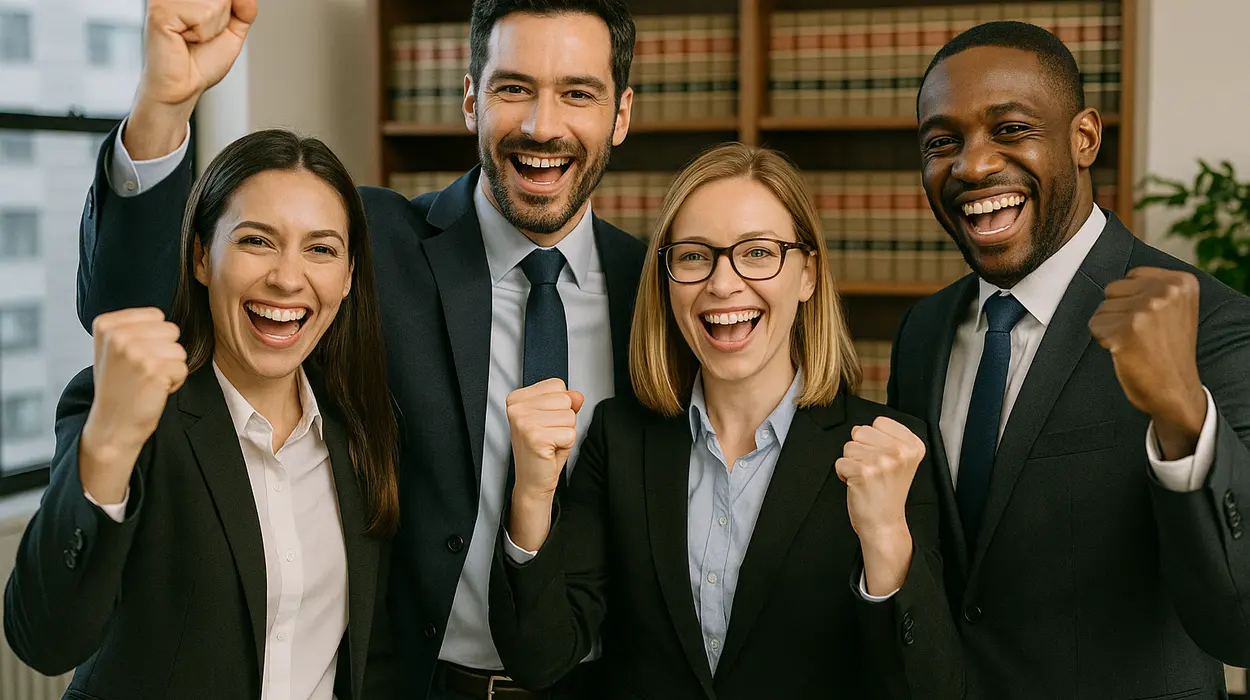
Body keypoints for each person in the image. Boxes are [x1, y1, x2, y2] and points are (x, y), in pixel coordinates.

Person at [74, 0, 644, 697]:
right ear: (471, 98)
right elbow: (135, 321)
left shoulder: (658, 289)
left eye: (578, 93)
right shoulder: (373, 243)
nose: (541, 125)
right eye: (513, 88)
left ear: (620, 114)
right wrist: (164, 108)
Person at [488, 143, 964, 699]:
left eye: (758, 253)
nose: (723, 283)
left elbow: (927, 690)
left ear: (807, 274)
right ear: (667, 280)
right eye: (694, 256)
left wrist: (885, 537)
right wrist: (531, 496)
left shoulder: (888, 455)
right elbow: (540, 658)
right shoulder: (619, 439)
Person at [891, 20, 1250, 698]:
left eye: (1010, 129)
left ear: (1084, 137)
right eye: (943, 142)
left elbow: (1240, 622)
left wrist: (1181, 416)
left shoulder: (1216, 325)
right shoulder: (923, 332)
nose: (972, 165)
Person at [4, 129, 397, 699]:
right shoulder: (137, 412)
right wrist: (110, 445)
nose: (288, 278)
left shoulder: (361, 430)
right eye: (256, 241)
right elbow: (45, 638)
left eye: (321, 248)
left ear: (348, 277)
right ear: (200, 258)